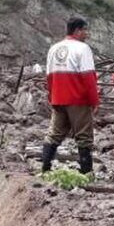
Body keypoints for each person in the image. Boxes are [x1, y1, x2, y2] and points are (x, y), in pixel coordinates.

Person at [40, 18, 100, 174]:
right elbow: (88, 77)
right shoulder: (83, 48)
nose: (86, 34)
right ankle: (86, 174)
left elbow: (49, 76)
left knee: (54, 134)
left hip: (58, 98)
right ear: (77, 31)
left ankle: (44, 169)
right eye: (85, 30)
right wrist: (94, 101)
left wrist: (52, 98)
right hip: (78, 99)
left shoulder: (54, 48)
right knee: (84, 137)